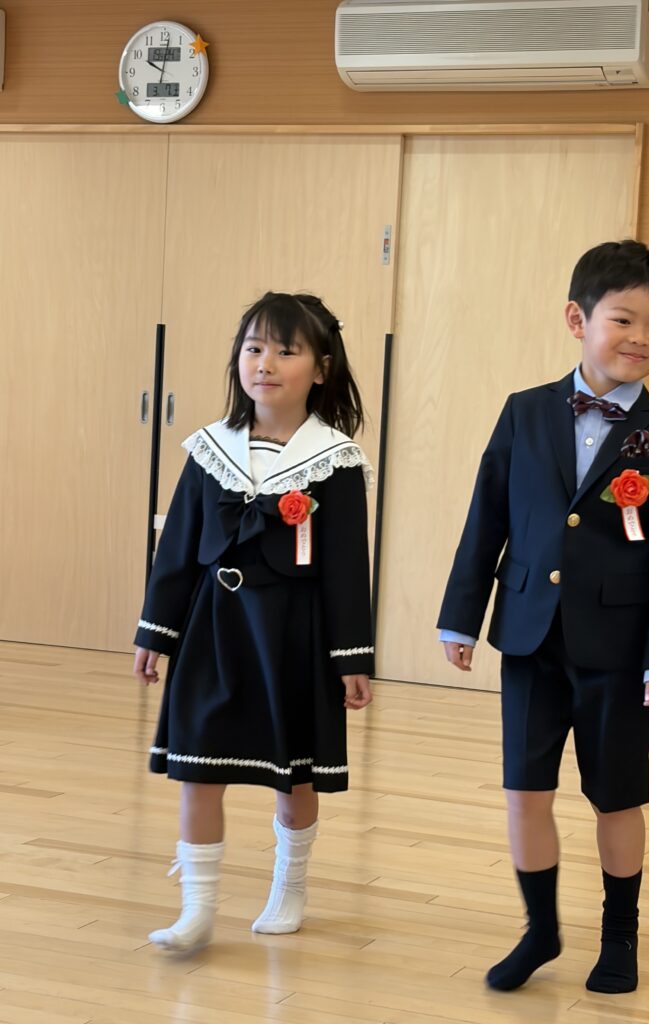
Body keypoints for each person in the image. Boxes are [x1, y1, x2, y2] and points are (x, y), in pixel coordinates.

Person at [438, 240, 649, 994]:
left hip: (621, 649)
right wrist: (461, 616)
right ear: (578, 319)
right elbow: (487, 517)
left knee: (618, 793)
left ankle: (620, 937)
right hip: (529, 635)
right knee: (525, 789)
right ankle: (540, 930)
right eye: (624, 320)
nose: (641, 338)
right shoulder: (524, 412)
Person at [133, 291, 374, 952]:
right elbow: (177, 551)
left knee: (294, 775)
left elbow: (347, 568)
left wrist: (352, 657)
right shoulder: (210, 448)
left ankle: (290, 886)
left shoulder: (336, 460)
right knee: (197, 767)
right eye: (254, 348)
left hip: (294, 638)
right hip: (214, 628)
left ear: (321, 369)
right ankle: (197, 909)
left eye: (285, 351)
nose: (264, 363)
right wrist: (156, 632)